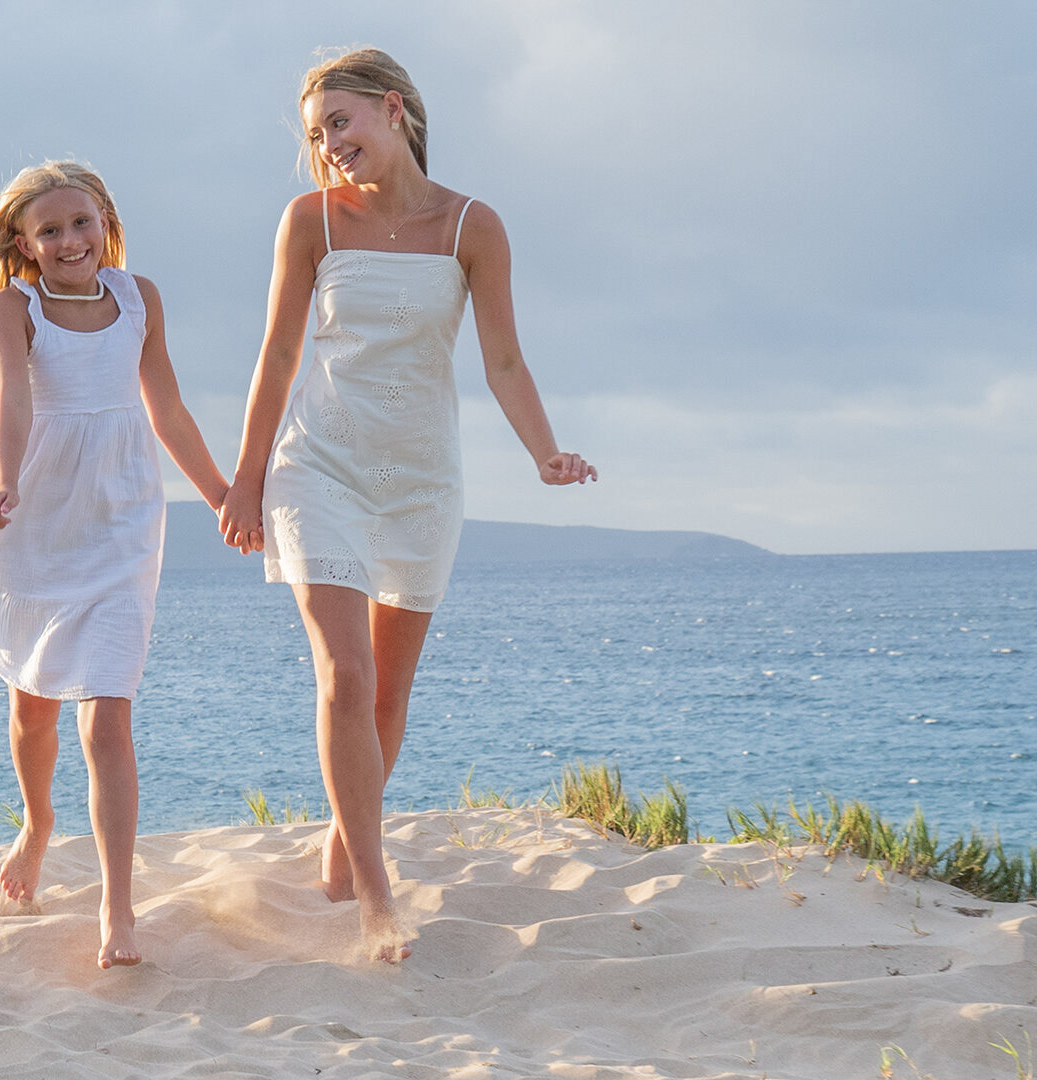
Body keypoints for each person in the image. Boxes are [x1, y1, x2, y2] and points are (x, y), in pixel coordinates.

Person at [217, 49, 597, 962]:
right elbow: (278, 356)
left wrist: (545, 452)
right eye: (316, 134)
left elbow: (504, 359)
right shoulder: (310, 221)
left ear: (392, 109)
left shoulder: (472, 225)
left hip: (422, 482)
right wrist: (247, 477)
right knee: (345, 678)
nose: (329, 145)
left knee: (388, 694)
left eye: (339, 122)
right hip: (321, 467)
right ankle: (375, 898)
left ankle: (345, 836)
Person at [0, 160, 229, 970]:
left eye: (81, 222)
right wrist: (6, 481)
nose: (69, 240)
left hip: (122, 519)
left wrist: (223, 495)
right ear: (23, 243)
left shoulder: (139, 298)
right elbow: (12, 401)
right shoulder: (14, 308)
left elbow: (167, 407)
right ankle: (38, 822)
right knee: (34, 705)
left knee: (107, 713)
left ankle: (117, 907)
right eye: (48, 230)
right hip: (38, 514)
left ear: (105, 221)